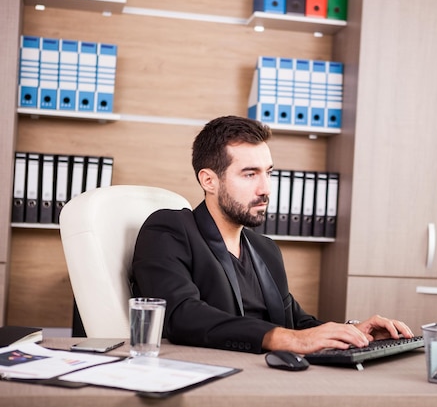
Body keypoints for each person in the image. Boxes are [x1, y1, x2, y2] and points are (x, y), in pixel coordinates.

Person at [131, 115, 414, 354]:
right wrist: (286, 339)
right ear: (209, 180)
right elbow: (182, 316)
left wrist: (354, 334)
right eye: (250, 174)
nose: (266, 188)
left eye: (268, 173)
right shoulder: (169, 229)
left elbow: (297, 323)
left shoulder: (265, 249)